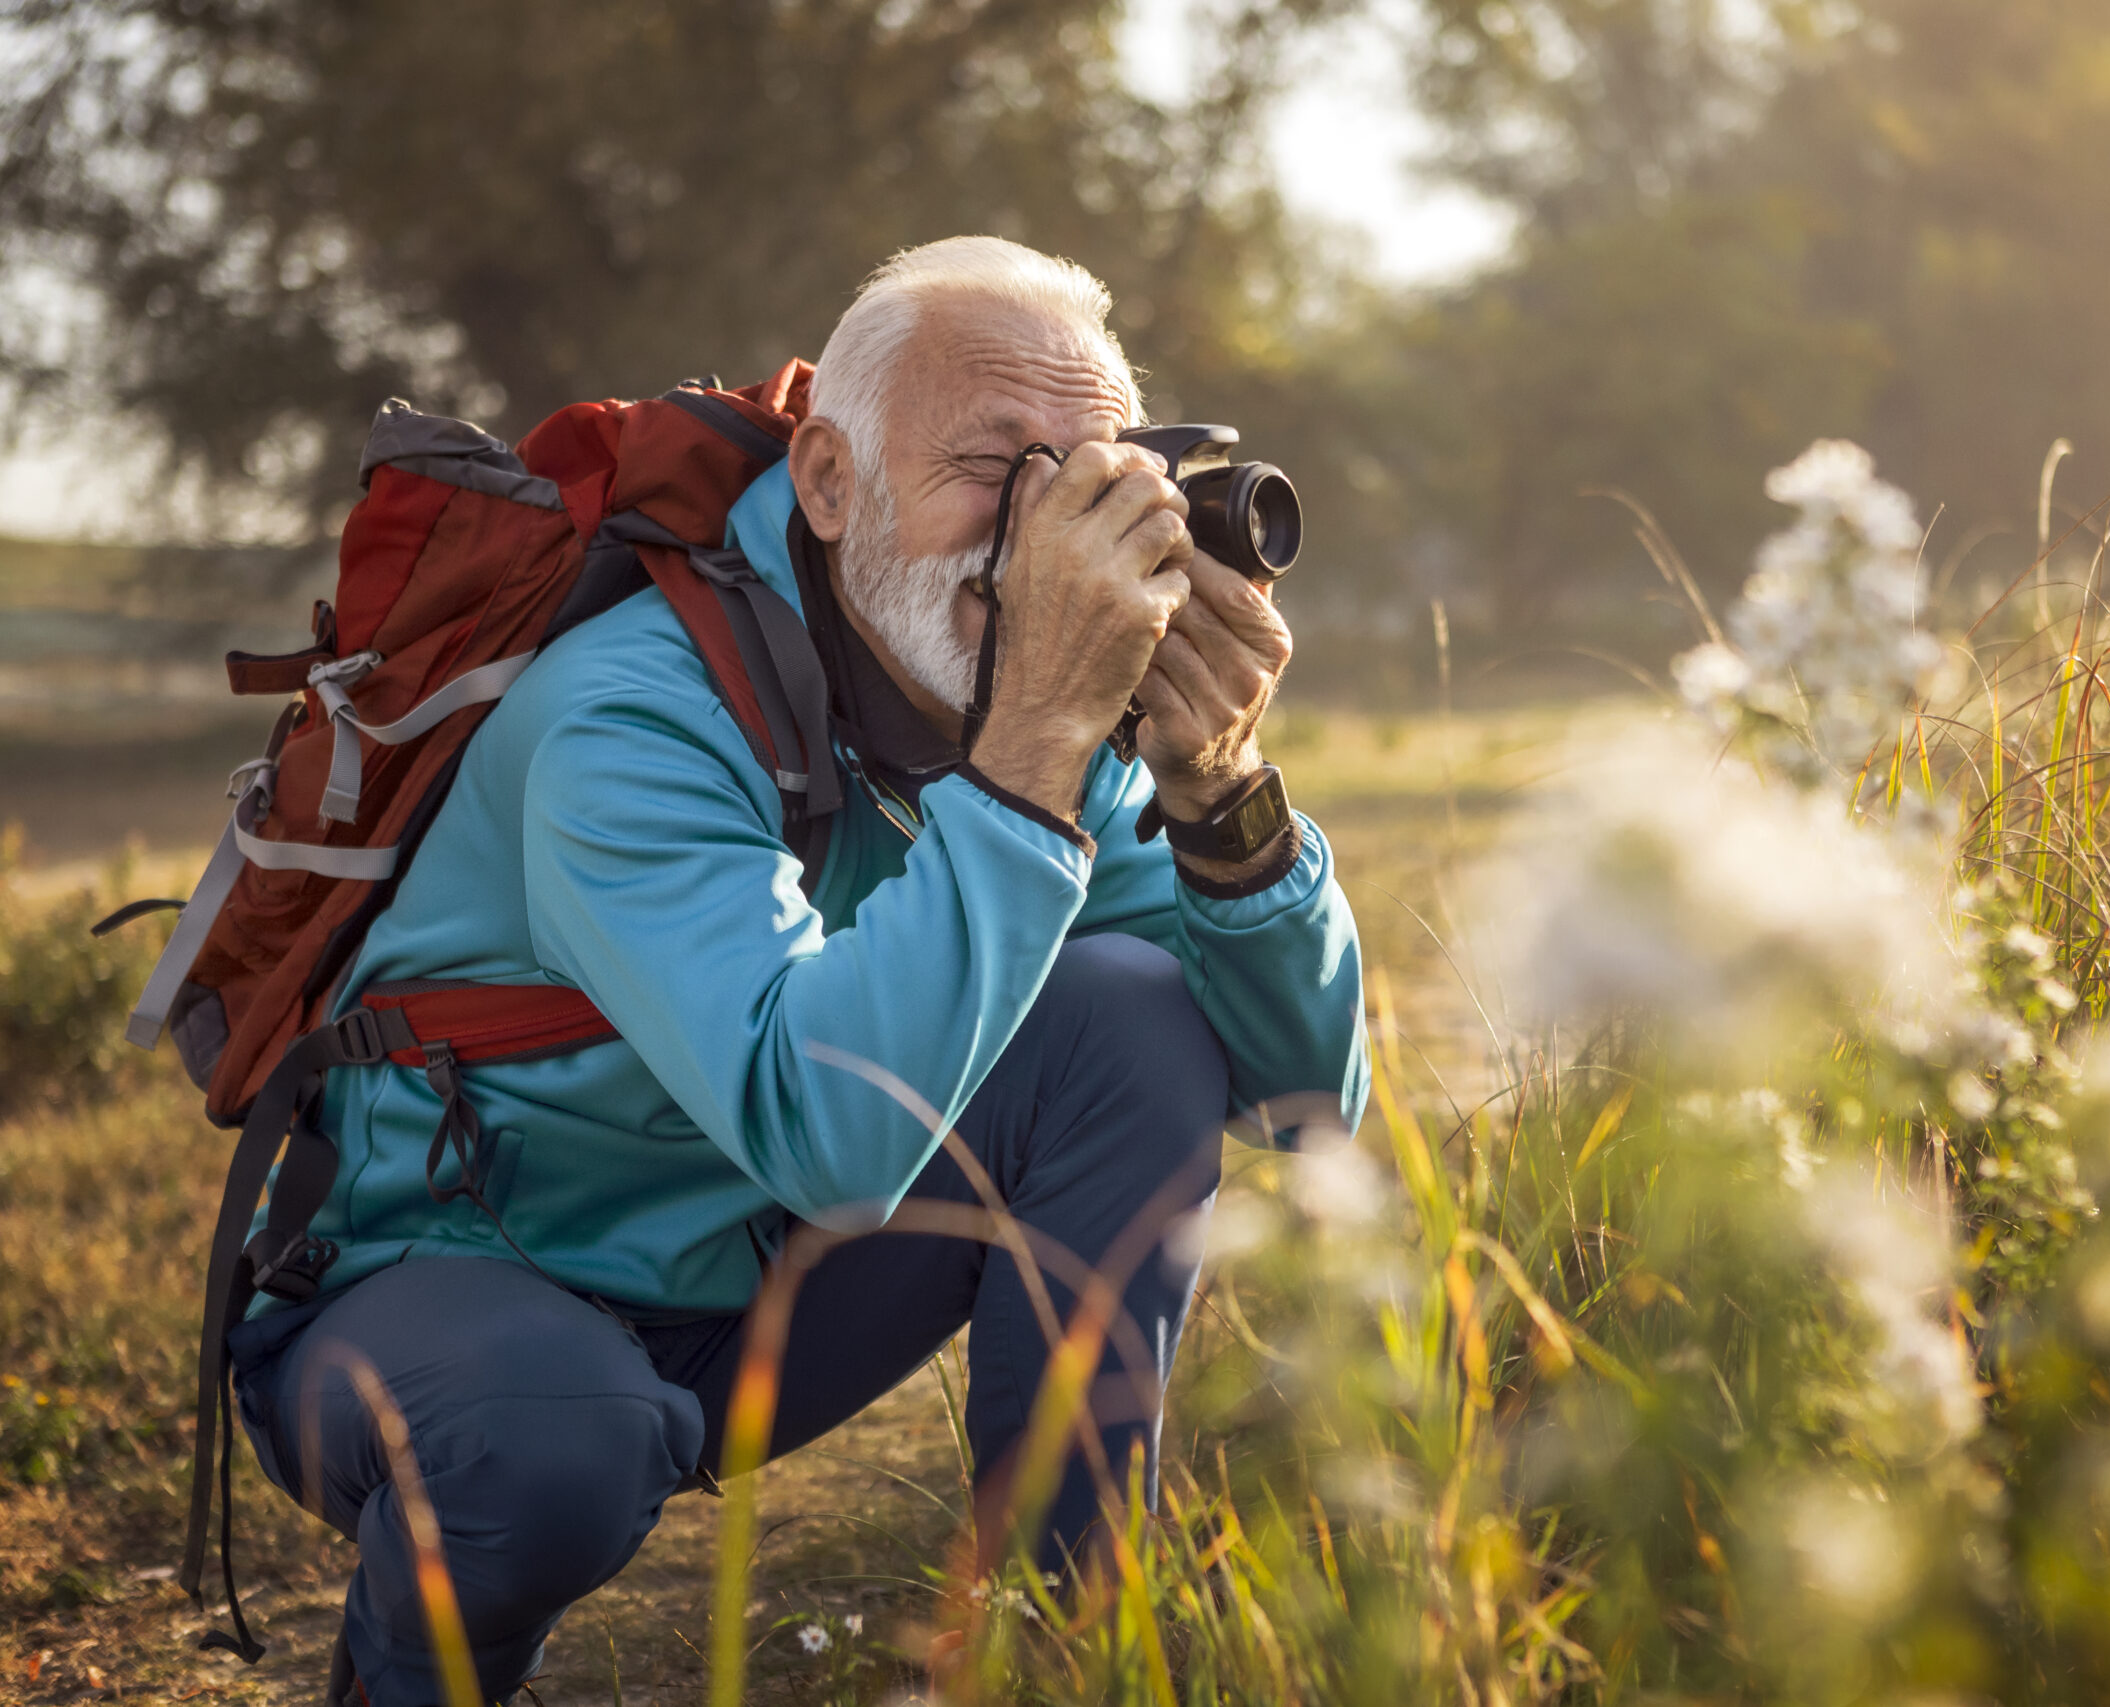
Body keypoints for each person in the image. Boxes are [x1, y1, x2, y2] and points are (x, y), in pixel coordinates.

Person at [222, 236, 1369, 1707]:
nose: (1036, 539)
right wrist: (1024, 763)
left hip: (745, 1284)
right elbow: (834, 1142)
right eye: (992, 466)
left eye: (1081, 479)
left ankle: (1066, 1655)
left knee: (1130, 1025)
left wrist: (1222, 794)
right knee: (554, 1441)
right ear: (829, 483)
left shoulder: (1031, 712)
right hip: (443, 1302)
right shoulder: (627, 712)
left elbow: (1309, 1125)